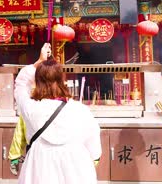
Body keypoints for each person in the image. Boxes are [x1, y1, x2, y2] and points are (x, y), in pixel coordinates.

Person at [14, 43, 101, 184]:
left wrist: (39, 62)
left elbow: (21, 83)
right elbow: (94, 148)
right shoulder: (80, 110)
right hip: (77, 167)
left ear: (37, 82)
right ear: (62, 80)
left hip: (39, 165)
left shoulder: (31, 108)